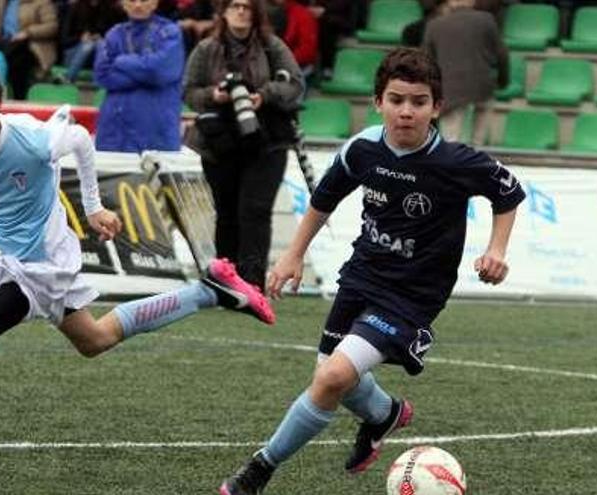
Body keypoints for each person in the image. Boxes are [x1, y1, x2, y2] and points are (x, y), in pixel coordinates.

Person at [0, 52, 275, 474]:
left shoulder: (29, 139)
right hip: (20, 262)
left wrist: (93, 206)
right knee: (95, 339)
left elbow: (80, 139)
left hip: (40, 267)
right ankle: (206, 292)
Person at [219, 47, 525, 495]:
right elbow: (324, 198)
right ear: (378, 102)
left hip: (412, 296)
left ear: (436, 107)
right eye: (396, 100)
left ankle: (258, 471)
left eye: (419, 102)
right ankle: (384, 415)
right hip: (361, 276)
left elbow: (508, 192)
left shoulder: (455, 162)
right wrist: (293, 253)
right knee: (332, 375)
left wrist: (496, 249)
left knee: (331, 378)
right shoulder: (362, 150)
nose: (407, 112)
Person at [183, 0, 303, 289]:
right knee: (226, 213)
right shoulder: (206, 48)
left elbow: (296, 85)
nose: (240, 11)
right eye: (235, 5)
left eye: (247, 7)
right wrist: (215, 95)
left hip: (267, 140)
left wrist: (264, 95)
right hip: (219, 141)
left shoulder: (272, 46)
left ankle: (251, 285)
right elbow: (188, 92)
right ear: (223, 11)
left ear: (256, 13)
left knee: (256, 211)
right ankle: (225, 284)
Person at [93, 0, 185, 152]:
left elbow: (161, 72)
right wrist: (144, 72)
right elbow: (102, 75)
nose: (137, 5)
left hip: (156, 130)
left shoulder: (170, 32)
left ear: (155, 3)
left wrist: (121, 61)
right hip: (115, 131)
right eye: (132, 0)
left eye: (143, 0)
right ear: (123, 4)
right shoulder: (114, 34)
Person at [422, 0, 508, 146]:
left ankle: (452, 166)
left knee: (450, 141)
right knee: (478, 142)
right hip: (483, 86)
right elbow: (502, 54)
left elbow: (426, 62)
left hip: (450, 89)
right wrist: (502, 81)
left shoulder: (435, 25)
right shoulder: (486, 20)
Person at [0, 0, 58, 100]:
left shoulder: (42, 2)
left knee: (16, 60)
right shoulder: (2, 2)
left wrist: (28, 32)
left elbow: (52, 26)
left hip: (30, 46)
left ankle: (17, 99)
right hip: (4, 43)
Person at [59, 0, 124, 83]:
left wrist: (101, 37)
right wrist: (80, 38)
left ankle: (98, 80)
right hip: (73, 55)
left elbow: (115, 36)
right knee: (89, 45)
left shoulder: (109, 10)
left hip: (97, 56)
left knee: (99, 43)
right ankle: (69, 76)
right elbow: (64, 40)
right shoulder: (74, 8)